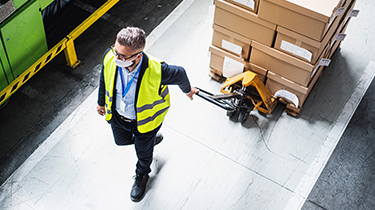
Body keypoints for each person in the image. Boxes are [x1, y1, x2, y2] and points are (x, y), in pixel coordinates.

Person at [96, 27, 199, 202]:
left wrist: (188, 90)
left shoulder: (158, 71)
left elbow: (180, 73)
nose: (116, 58)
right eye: (116, 51)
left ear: (138, 56)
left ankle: (142, 175)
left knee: (143, 154)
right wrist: (100, 101)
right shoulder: (110, 57)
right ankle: (150, 142)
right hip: (118, 117)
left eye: (122, 56)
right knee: (120, 141)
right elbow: (104, 77)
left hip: (145, 123)